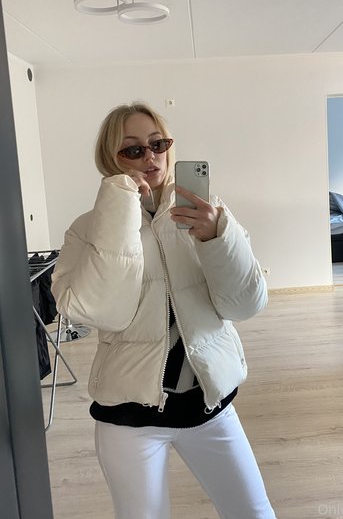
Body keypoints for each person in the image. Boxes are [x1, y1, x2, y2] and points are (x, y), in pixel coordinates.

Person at [51, 102, 276, 519]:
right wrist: (119, 209)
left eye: (158, 144)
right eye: (133, 150)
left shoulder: (208, 213)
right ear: (110, 158)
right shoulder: (88, 228)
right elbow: (100, 310)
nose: (149, 157)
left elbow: (246, 304)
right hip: (129, 418)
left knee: (254, 512)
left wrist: (218, 237)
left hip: (208, 405)